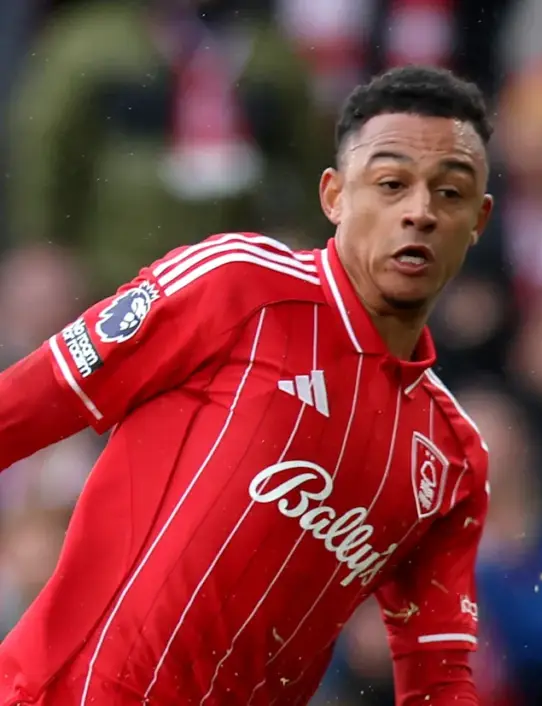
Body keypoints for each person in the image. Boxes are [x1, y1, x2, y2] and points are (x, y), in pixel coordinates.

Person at [0, 65, 494, 706]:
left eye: (450, 194)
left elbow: (439, 679)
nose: (421, 213)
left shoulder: (453, 459)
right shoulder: (237, 287)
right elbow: (20, 410)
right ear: (334, 195)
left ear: (479, 220)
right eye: (392, 184)